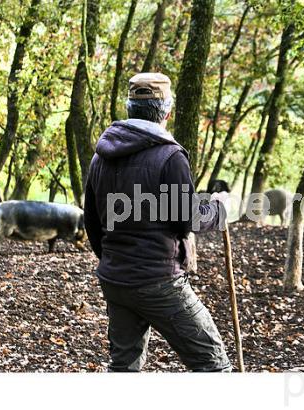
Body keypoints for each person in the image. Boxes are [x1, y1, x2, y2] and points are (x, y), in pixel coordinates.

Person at [84, 72, 232, 372]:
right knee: (213, 364)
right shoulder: (170, 156)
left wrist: (114, 260)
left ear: (129, 108)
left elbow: (91, 221)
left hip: (115, 278)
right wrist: (219, 209)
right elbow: (185, 219)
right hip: (158, 281)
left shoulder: (101, 157)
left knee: (123, 368)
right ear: (167, 111)